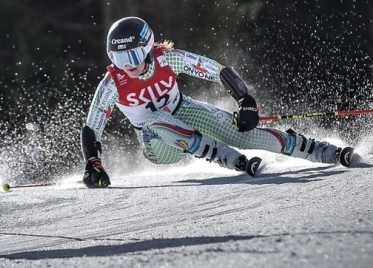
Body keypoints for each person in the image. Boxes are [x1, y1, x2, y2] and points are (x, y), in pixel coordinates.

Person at [80, 17, 354, 188]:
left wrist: (245, 100)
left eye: (132, 56)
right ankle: (223, 156)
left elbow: (217, 70)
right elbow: (92, 126)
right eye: (118, 59)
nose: (127, 66)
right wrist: (93, 161)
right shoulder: (113, 83)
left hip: (184, 112)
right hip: (157, 145)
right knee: (155, 120)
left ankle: (320, 151)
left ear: (148, 48)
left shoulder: (168, 59)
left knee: (243, 133)